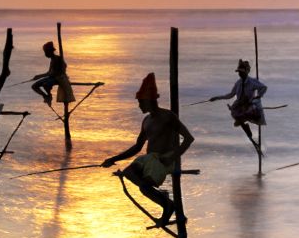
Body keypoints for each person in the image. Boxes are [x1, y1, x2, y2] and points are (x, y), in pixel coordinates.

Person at [100, 73, 196, 227]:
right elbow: (137, 147)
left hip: (164, 160)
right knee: (129, 172)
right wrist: (113, 159)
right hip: (149, 160)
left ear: (149, 101)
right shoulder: (146, 120)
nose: (139, 105)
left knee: (144, 188)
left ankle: (168, 205)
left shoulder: (168, 116)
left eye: (140, 102)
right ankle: (161, 196)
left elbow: (189, 139)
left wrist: (172, 157)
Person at [210, 59, 267, 148]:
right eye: (239, 72)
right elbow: (230, 95)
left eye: (241, 72)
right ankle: (248, 132)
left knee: (252, 114)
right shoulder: (238, 83)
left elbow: (263, 87)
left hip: (249, 104)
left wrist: (259, 96)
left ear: (246, 72)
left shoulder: (252, 81)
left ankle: (248, 130)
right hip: (239, 105)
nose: (240, 74)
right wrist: (217, 98)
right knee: (236, 115)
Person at [29, 42, 71, 106]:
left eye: (46, 52)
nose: (45, 54)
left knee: (45, 84)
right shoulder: (52, 59)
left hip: (58, 78)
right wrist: (38, 76)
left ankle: (49, 96)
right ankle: (46, 96)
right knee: (34, 86)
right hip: (52, 77)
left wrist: (40, 76)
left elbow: (54, 73)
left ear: (50, 51)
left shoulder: (57, 59)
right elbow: (49, 72)